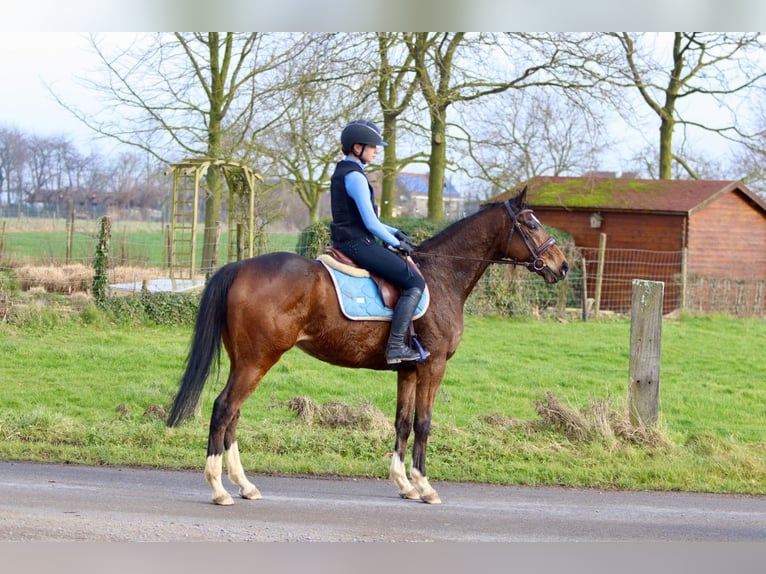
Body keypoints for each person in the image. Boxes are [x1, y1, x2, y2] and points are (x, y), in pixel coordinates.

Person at [330, 119, 428, 366]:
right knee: (414, 281)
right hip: (357, 244)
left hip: (349, 241)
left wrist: (396, 233)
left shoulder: (344, 171)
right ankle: (396, 346)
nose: (377, 150)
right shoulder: (355, 177)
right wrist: (395, 243)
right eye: (373, 146)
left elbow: (370, 219)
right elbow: (371, 225)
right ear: (357, 147)